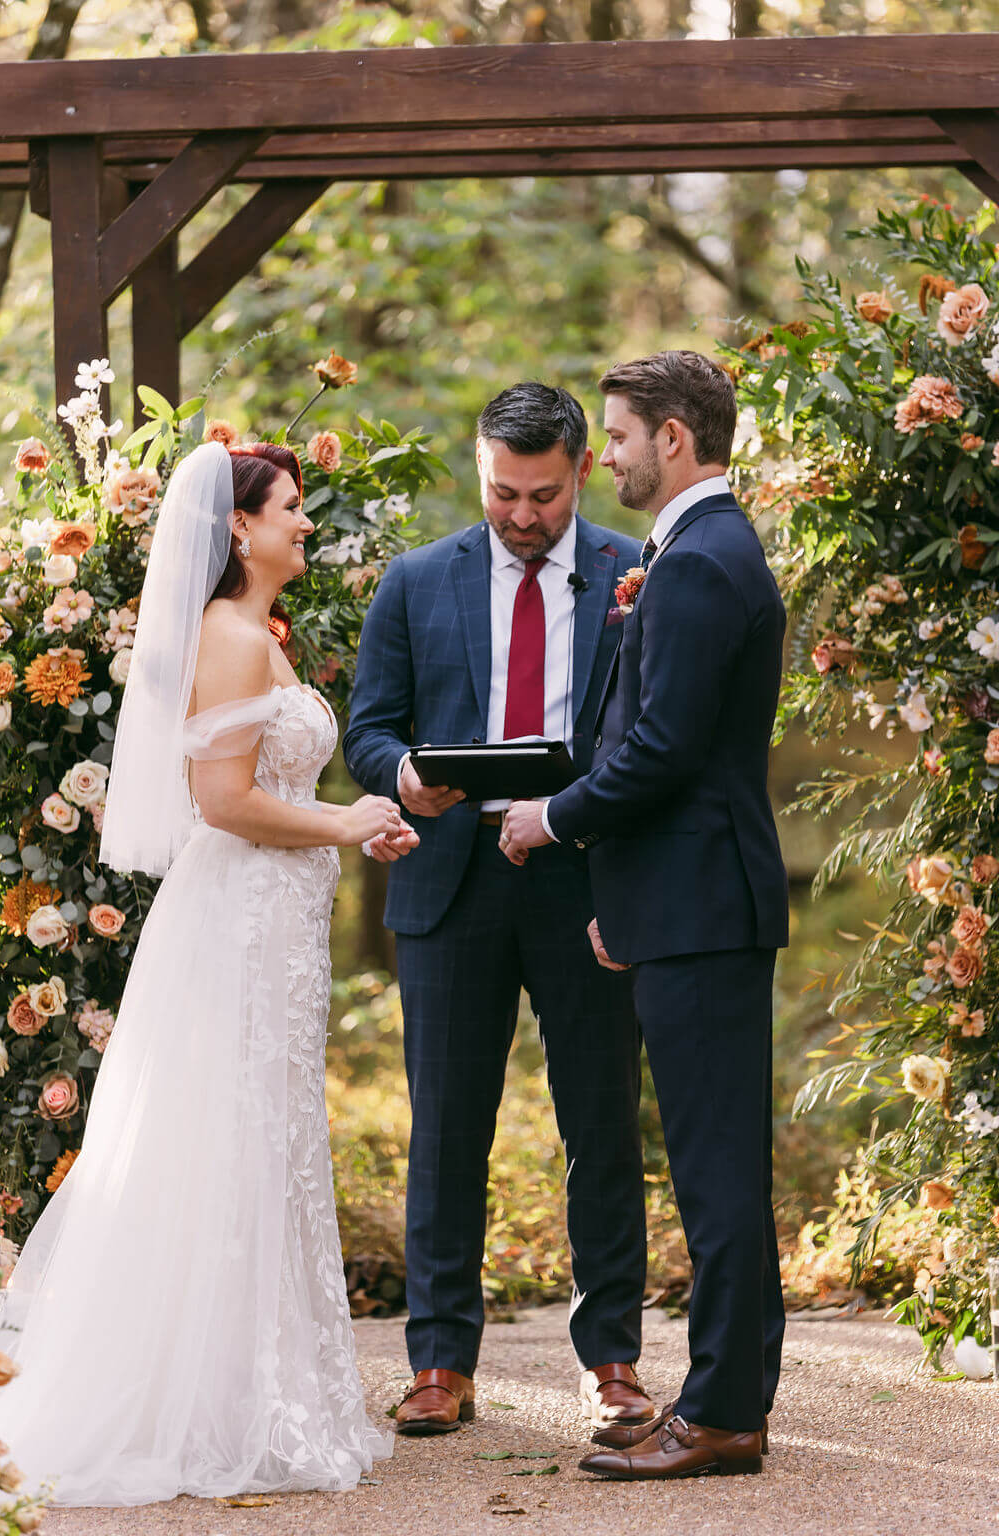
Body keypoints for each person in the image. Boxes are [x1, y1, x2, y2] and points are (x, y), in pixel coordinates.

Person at [0, 440, 417, 1505]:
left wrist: (353, 827)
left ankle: (251, 1394)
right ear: (238, 527)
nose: (306, 525)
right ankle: (199, 1406)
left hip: (273, 922)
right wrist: (344, 822)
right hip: (235, 921)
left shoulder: (256, 636)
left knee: (260, 1137)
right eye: (290, 509)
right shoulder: (228, 639)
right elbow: (222, 801)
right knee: (222, 1138)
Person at [343, 383, 653, 1435]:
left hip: (584, 879)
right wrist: (407, 775)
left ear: (578, 471)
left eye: (542, 495)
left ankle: (612, 1359)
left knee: (603, 1126)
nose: (520, 515)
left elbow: (654, 727)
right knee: (445, 1135)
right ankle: (439, 1365)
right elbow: (369, 727)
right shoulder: (416, 579)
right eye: (500, 493)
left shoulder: (633, 575)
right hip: (450, 879)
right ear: (478, 471)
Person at [502, 352, 790, 1481]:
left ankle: (722, 1414)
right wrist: (624, 898)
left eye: (615, 436)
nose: (602, 454)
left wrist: (550, 823)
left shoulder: (703, 563)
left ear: (673, 439)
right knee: (716, 1167)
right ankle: (721, 1397)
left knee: (718, 1175)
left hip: (705, 906)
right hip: (681, 903)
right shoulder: (694, 553)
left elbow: (662, 754)